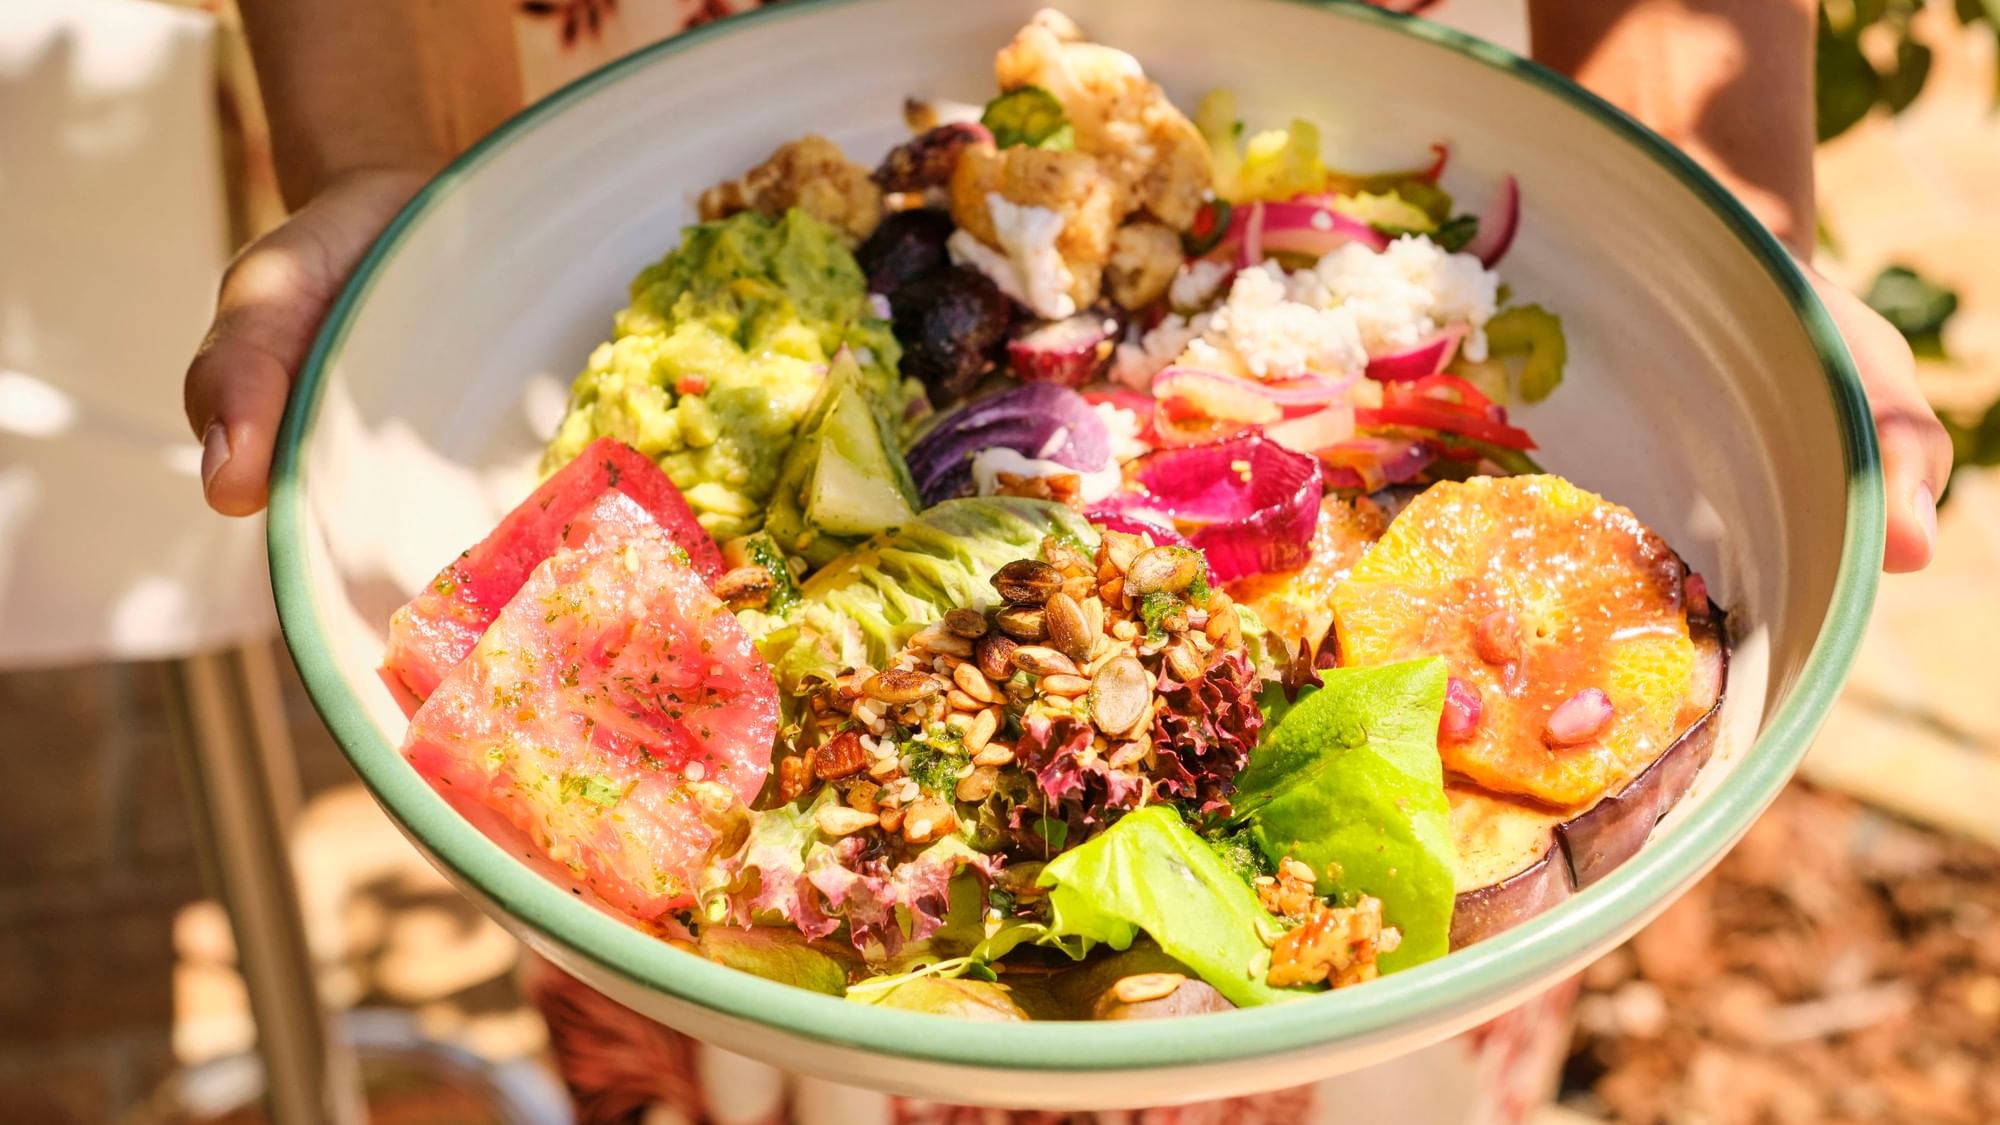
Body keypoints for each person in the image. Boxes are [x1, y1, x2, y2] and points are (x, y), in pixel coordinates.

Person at [180, 1, 1955, 1120]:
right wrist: (414, 189)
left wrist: (1716, 229)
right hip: (641, 102)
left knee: (1375, 997)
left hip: (1385, 66)